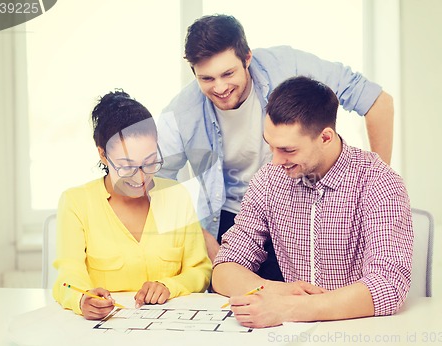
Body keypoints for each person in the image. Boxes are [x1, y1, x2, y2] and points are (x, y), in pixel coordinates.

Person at [157, 14, 394, 280]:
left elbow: (378, 103)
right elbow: (155, 180)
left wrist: (376, 187)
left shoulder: (290, 67)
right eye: (207, 79)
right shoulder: (182, 112)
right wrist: (199, 236)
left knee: (315, 296)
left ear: (247, 57)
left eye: (228, 73)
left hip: (298, 210)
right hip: (233, 221)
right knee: (237, 298)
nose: (220, 87)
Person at [211, 76, 413, 328]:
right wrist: (277, 291)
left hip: (360, 328)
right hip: (294, 331)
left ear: (326, 138)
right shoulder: (268, 180)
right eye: (270, 146)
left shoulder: (379, 182)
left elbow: (389, 285)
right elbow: (225, 268)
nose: (275, 162)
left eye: (288, 150)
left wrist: (290, 308)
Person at [52, 90, 211, 320]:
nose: (140, 179)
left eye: (150, 163)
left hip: (170, 328)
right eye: (127, 167)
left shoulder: (177, 196)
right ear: (103, 156)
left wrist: (169, 285)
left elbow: (201, 270)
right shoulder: (76, 203)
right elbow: (67, 278)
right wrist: (82, 298)